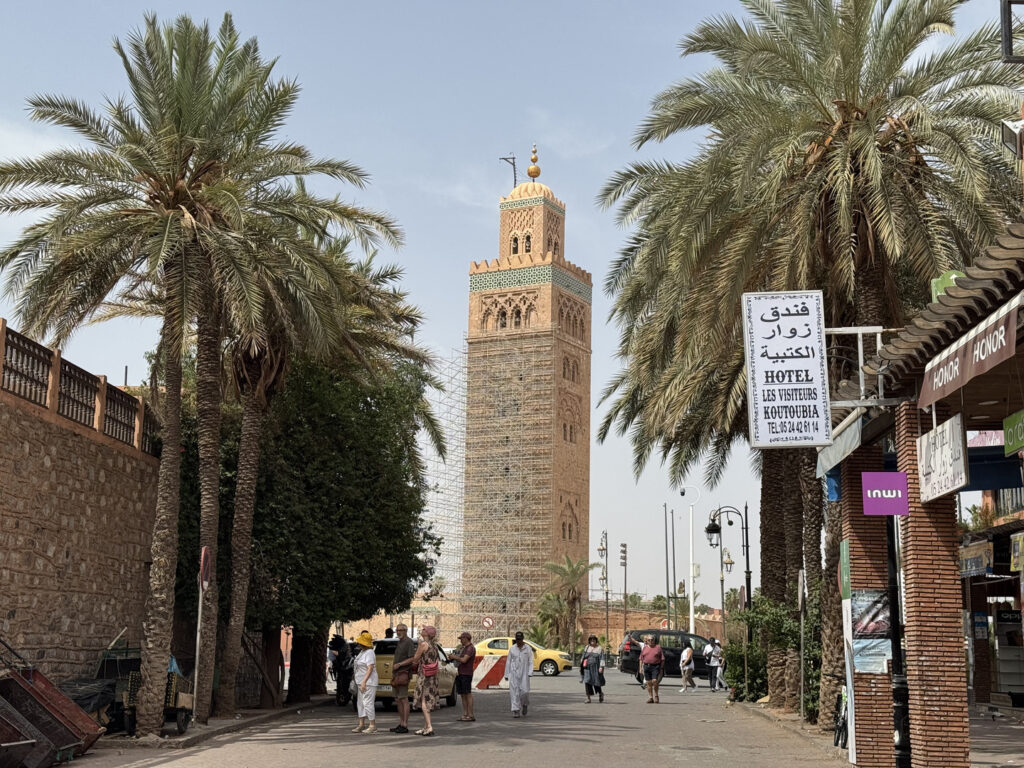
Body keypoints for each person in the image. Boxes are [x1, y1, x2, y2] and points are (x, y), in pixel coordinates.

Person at [408, 625, 440, 736]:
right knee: (427, 700)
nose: (422, 630)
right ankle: (425, 726)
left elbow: (416, 658)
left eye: (424, 629)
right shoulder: (434, 646)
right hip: (432, 676)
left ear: (427, 633)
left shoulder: (423, 645)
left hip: (424, 676)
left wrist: (418, 645)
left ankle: (429, 727)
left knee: (424, 702)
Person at [388, 623, 415, 733]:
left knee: (404, 699)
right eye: (397, 630)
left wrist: (400, 664)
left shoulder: (409, 642)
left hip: (403, 674)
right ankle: (401, 723)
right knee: (397, 699)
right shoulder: (400, 642)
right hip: (396, 675)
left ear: (405, 630)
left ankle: (405, 724)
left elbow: (412, 658)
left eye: (400, 630)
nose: (398, 632)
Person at [352, 631, 378, 733]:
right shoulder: (363, 652)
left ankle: (372, 725)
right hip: (361, 681)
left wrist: (364, 681)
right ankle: (361, 724)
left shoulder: (369, 653)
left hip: (368, 682)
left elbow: (370, 668)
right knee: (361, 703)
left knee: (368, 703)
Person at [505, 631, 533, 717]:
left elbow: (531, 661)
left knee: (525, 692)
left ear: (523, 639)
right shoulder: (512, 649)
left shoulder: (527, 648)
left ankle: (524, 704)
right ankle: (516, 710)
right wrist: (506, 674)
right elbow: (508, 661)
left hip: (524, 673)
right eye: (517, 640)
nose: (519, 641)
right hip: (514, 673)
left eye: (520, 639)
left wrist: (530, 672)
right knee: (514, 692)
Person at [453, 631, 477, 721]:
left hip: (466, 673)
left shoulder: (470, 648)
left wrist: (454, 657)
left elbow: (464, 660)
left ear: (466, 639)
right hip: (461, 672)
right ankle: (465, 714)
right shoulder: (463, 648)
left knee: (467, 693)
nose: (461, 641)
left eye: (462, 639)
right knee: (463, 694)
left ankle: (470, 714)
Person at [639, 634, 665, 703]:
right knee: (648, 683)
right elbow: (641, 659)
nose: (650, 641)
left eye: (652, 640)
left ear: (654, 640)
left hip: (655, 666)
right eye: (649, 640)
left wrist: (661, 668)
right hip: (646, 666)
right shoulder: (645, 648)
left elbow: (662, 659)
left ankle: (656, 695)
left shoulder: (658, 648)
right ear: (647, 641)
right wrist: (640, 668)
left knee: (654, 681)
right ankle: (651, 697)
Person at [580, 635, 605, 703]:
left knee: (596, 682)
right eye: (591, 640)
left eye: (594, 639)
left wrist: (601, 667)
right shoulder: (587, 647)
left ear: (596, 641)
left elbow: (602, 658)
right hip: (587, 668)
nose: (592, 641)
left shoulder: (599, 648)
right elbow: (583, 656)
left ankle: (600, 694)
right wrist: (582, 663)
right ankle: (588, 698)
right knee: (587, 681)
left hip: (596, 668)